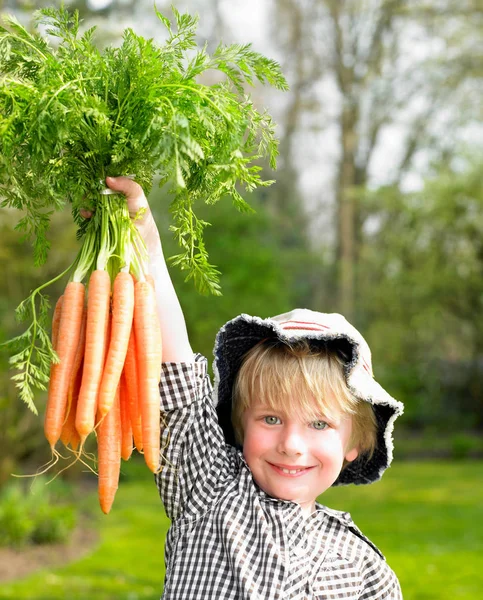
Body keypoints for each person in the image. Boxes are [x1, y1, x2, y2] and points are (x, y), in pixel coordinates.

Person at [105, 176, 404, 599]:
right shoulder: (208, 488)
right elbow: (172, 362)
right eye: (270, 418)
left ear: (353, 441)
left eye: (319, 424)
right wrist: (142, 237)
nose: (291, 444)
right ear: (241, 423)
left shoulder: (363, 571)